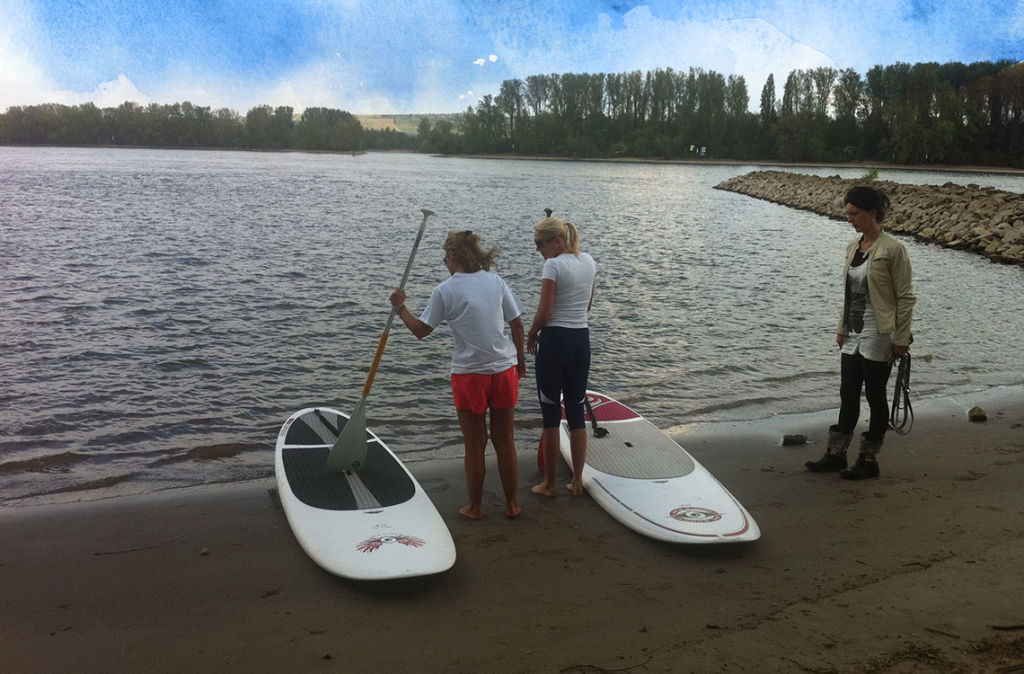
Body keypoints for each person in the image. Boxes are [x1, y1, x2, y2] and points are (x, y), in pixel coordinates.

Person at [390, 230, 526, 519]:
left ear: (454, 257)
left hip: (470, 375)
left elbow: (421, 330)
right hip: (504, 369)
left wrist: (400, 307)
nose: (445, 263)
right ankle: (512, 505)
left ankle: (475, 507)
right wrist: (521, 361)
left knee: (475, 444)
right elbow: (516, 324)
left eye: (446, 257)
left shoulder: (445, 290)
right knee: (506, 441)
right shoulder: (495, 281)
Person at [806, 186, 916, 480]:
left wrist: (901, 339)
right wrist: (841, 328)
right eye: (848, 214)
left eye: (855, 213)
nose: (851, 219)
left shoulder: (893, 249)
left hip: (879, 332)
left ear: (872, 212)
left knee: (876, 395)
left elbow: (905, 297)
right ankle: (835, 455)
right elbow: (848, 293)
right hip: (853, 331)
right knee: (848, 391)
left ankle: (868, 460)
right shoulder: (852, 248)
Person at [527, 215, 597, 497]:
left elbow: (545, 312)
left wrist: (532, 335)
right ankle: (577, 481)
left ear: (558, 241)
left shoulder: (553, 265)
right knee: (576, 410)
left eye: (541, 243)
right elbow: (588, 305)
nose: (538, 249)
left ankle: (550, 484)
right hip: (581, 339)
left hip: (555, 340)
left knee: (551, 412)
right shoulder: (589, 261)